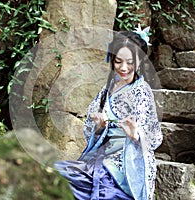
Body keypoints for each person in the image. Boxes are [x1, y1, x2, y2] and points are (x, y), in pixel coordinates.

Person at [55, 26, 163, 200]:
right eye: (118, 61)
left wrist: (135, 135)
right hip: (102, 155)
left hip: (125, 165)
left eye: (130, 62)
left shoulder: (142, 91)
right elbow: (92, 127)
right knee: (56, 173)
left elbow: (154, 137)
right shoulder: (108, 88)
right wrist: (99, 127)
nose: (124, 68)